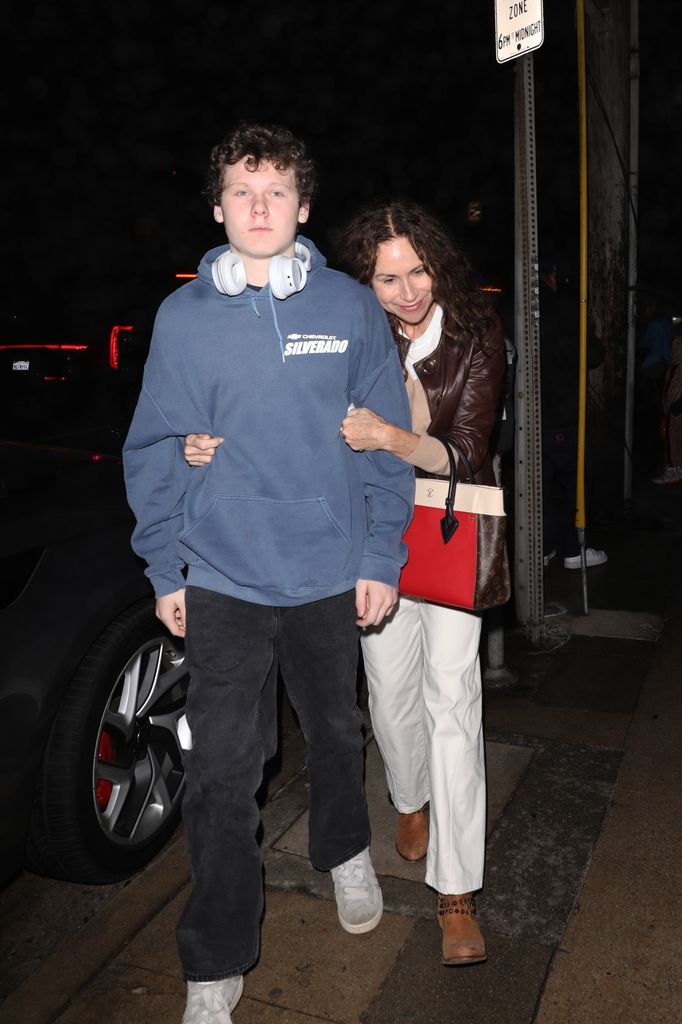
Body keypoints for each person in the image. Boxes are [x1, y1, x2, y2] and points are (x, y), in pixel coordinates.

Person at [123, 124, 414, 1024]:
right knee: (219, 774)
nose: (259, 207)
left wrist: (378, 555)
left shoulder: (348, 308)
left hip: (328, 570)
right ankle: (215, 957)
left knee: (336, 734)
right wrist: (166, 563)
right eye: (243, 192)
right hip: (222, 576)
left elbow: (383, 448)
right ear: (217, 209)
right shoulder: (181, 319)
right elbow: (152, 446)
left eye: (277, 191)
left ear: (304, 207)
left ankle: (344, 850)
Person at [186, 198, 506, 967]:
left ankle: (455, 892)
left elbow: (467, 448)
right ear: (363, 282)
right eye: (387, 277)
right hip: (370, 541)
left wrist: (390, 435)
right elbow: (281, 420)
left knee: (453, 702)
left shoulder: (474, 334)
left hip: (452, 534)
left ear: (438, 266)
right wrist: (199, 447)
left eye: (418, 270)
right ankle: (408, 798)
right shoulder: (342, 333)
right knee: (389, 699)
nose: (407, 291)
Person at [538, 261, 607, 569]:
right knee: (574, 482)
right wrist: (594, 334)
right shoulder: (566, 310)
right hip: (560, 411)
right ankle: (572, 550)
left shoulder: (518, 307)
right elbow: (592, 356)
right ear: (553, 276)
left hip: (531, 416)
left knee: (539, 485)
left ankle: (543, 546)